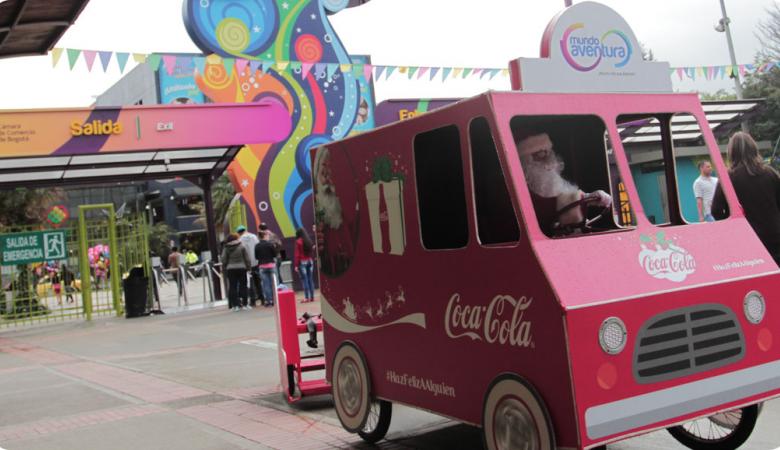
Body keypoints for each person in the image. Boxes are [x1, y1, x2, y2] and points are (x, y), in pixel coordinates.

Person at [516, 130, 612, 235]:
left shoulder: (553, 178)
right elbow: (542, 207)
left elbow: (568, 197)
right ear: (527, 160)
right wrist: (583, 199)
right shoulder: (521, 187)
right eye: (540, 153)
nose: (548, 157)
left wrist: (590, 197)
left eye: (548, 151)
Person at [711, 132, 780, 264]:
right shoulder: (770, 173)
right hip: (775, 237)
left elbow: (716, 210)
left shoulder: (728, 178)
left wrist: (733, 224)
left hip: (746, 241)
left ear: (732, 152)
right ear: (754, 148)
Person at [221, 233, 251, 311]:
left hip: (230, 269)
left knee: (232, 286)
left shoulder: (226, 248)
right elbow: (247, 258)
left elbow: (223, 259)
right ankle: (245, 304)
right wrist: (248, 268)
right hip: (242, 268)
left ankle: (235, 306)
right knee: (243, 286)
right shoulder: (241, 246)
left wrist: (226, 265)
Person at [236, 225, 260, 308]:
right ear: (245, 230)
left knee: (250, 283)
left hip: (247, 264)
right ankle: (263, 299)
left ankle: (253, 301)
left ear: (239, 232)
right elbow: (258, 246)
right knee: (259, 281)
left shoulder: (240, 240)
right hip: (256, 262)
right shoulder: (254, 236)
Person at [255, 230, 279, 307]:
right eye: (267, 236)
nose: (268, 237)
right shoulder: (270, 244)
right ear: (265, 236)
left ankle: (269, 301)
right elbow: (275, 254)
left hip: (262, 266)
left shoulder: (257, 246)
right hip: (271, 265)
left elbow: (256, 257)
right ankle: (276, 299)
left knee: (266, 285)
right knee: (275, 283)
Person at [294, 227, 315, 303]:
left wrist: (296, 265)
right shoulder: (308, 241)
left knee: (304, 280)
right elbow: (312, 250)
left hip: (302, 262)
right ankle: (312, 297)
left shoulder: (298, 242)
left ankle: (306, 297)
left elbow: (297, 255)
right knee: (310, 279)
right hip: (310, 261)